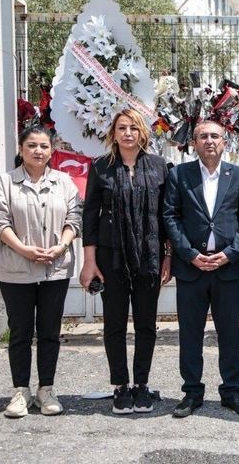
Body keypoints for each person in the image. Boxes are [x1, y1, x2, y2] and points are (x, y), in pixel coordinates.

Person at [0, 126, 81, 418]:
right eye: (32, 146)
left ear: (52, 151)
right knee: (20, 332)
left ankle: (46, 390)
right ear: (21, 150)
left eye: (44, 146)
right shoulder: (5, 182)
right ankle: (20, 391)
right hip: (17, 270)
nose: (38, 151)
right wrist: (23, 250)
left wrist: (61, 247)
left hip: (55, 269)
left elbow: (74, 218)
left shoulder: (64, 182)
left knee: (50, 332)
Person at [163, 120, 239, 418]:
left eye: (215, 136)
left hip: (227, 268)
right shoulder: (179, 175)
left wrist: (230, 253)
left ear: (224, 141)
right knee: (190, 332)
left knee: (229, 332)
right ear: (194, 142)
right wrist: (189, 254)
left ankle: (231, 391)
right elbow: (170, 216)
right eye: (203, 136)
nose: (210, 141)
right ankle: (191, 392)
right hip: (191, 268)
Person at [80, 109, 171, 414]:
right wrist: (89, 262)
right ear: (114, 133)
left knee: (146, 324)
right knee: (114, 324)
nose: (128, 133)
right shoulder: (101, 168)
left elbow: (165, 217)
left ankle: (141, 385)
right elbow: (89, 217)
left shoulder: (159, 167)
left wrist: (167, 257)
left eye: (133, 127)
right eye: (122, 128)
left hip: (149, 256)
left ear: (142, 132)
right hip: (111, 258)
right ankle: (120, 385)